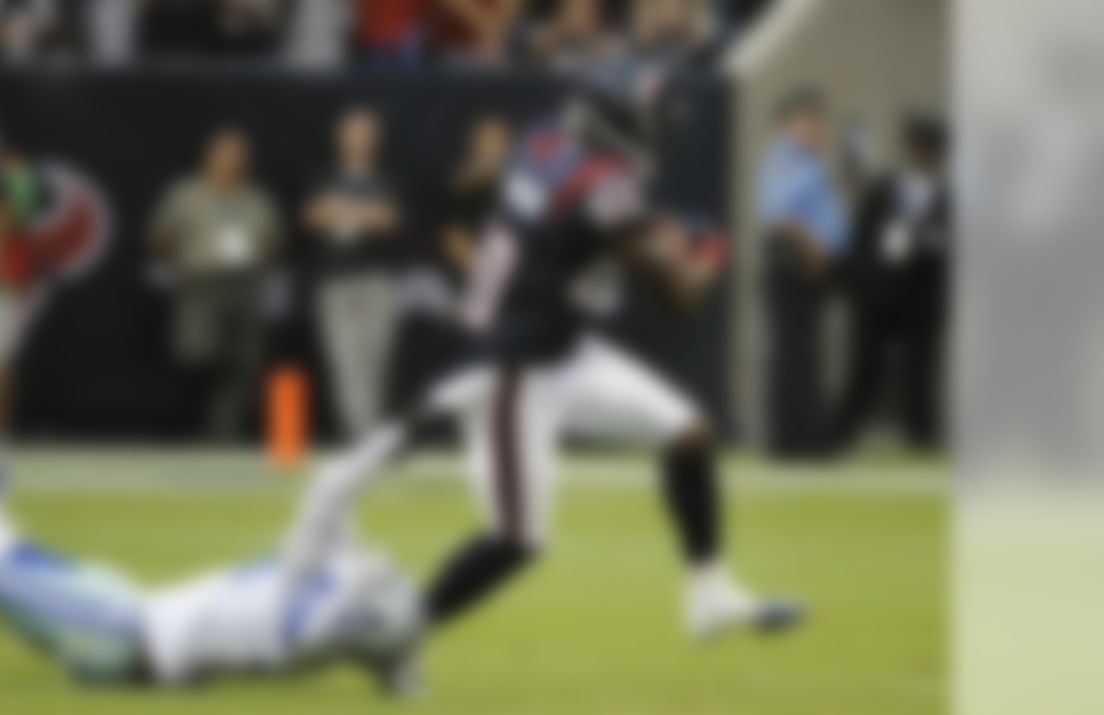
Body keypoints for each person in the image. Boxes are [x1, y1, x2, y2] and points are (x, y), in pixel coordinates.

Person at [284, 53, 802, 648]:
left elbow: (567, 211)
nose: (666, 128)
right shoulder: (604, 187)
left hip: (559, 343)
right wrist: (711, 257)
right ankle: (400, 633)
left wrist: (618, 237)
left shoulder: (546, 137)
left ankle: (708, 595)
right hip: (517, 367)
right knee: (517, 539)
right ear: (626, 120)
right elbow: (678, 299)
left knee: (689, 433)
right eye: (656, 116)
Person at [0, 477, 423, 692]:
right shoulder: (312, 604)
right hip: (140, 617)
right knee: (81, 577)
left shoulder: (302, 615)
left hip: (123, 642)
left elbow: (328, 506)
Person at [149, 127, 284, 440]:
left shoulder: (258, 199)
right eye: (225, 154)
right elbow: (158, 235)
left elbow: (276, 242)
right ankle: (189, 420)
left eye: (238, 156)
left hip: (246, 283)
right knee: (198, 353)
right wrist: (177, 260)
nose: (231, 161)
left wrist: (266, 257)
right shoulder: (186, 194)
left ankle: (223, 431)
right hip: (201, 281)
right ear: (209, 157)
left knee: (245, 361)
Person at [831, 117, 950, 451]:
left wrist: (925, 243)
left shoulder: (948, 197)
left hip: (922, 298)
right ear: (909, 150)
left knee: (921, 371)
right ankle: (840, 432)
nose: (923, 155)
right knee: (864, 367)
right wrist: (862, 284)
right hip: (878, 297)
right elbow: (859, 240)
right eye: (918, 148)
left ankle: (922, 436)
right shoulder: (882, 190)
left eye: (931, 150)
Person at [758, 88, 849, 457]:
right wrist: (813, 251)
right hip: (793, 263)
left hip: (813, 264)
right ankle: (791, 439)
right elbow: (780, 215)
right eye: (810, 123)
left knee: (806, 351)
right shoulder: (786, 159)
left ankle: (807, 435)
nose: (818, 130)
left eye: (820, 123)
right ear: (793, 125)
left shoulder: (810, 162)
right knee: (793, 352)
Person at [304, 107, 403, 440]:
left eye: (366, 134)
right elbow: (312, 217)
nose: (360, 141)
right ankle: (359, 437)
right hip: (334, 281)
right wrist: (365, 214)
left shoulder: (388, 178)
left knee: (376, 362)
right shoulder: (323, 176)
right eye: (353, 133)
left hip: (377, 280)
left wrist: (341, 210)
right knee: (345, 362)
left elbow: (390, 220)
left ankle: (371, 434)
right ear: (340, 139)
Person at [441, 114, 514, 282]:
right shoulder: (462, 189)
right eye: (484, 142)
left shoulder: (522, 183)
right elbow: (451, 236)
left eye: (497, 142)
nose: (491, 149)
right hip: (476, 270)